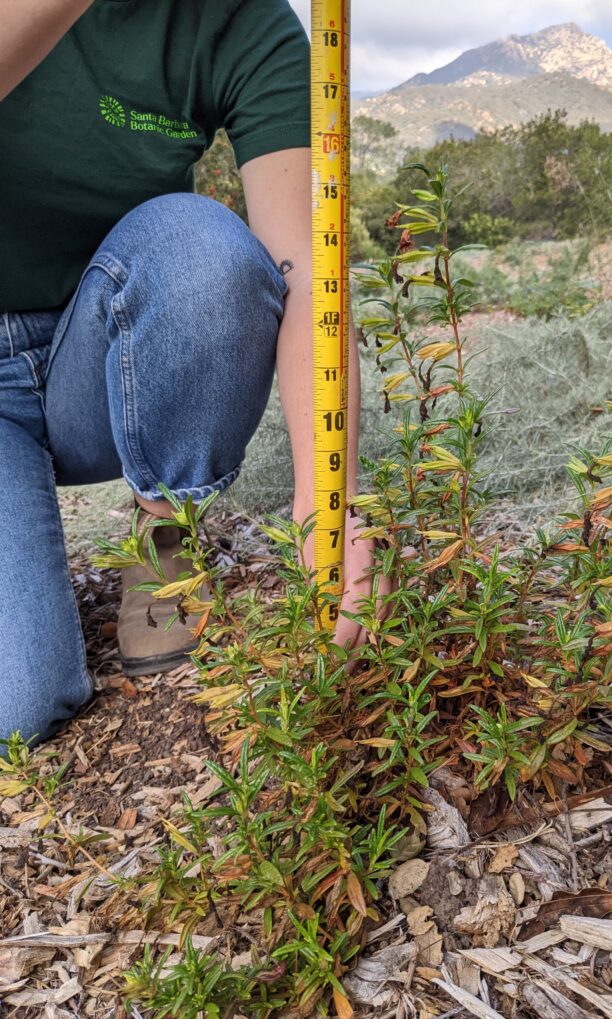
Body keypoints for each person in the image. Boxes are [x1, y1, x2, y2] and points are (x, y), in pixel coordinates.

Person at [0, 0, 378, 752]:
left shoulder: (247, 24)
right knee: (19, 706)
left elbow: (306, 272)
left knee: (209, 253)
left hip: (104, 357)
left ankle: (164, 525)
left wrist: (326, 503)